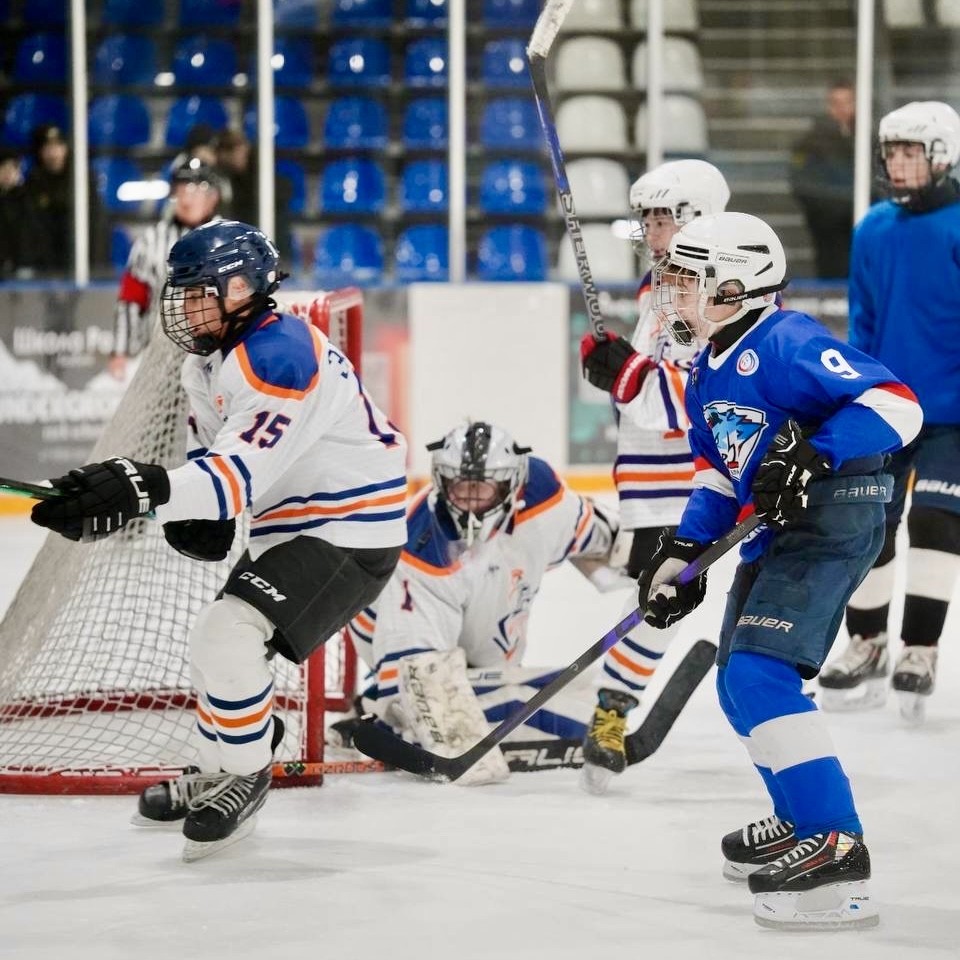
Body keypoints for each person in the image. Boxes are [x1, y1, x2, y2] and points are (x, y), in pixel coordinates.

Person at [31, 220, 408, 859]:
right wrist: (175, 507)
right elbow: (215, 474)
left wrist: (141, 488)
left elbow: (231, 477)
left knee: (225, 635)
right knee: (216, 648)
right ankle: (223, 759)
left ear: (242, 289)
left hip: (349, 529)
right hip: (292, 525)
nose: (184, 306)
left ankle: (245, 770)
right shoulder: (206, 364)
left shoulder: (280, 353)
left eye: (200, 292)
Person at [643, 211, 921, 928]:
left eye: (687, 281)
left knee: (760, 675)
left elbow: (897, 405)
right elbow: (716, 471)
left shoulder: (786, 340)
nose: (673, 295)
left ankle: (837, 842)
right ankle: (799, 817)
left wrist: (817, 452)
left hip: (835, 515)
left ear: (736, 287)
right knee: (738, 686)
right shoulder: (704, 366)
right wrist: (682, 552)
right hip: (780, 528)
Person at [341, 420, 620, 785]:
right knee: (567, 704)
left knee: (584, 688)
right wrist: (421, 723)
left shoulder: (543, 498)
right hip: (409, 657)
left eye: (482, 489)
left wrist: (654, 555)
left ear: (512, 484)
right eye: (462, 488)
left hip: (483, 661)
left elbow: (605, 537)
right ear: (442, 481)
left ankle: (382, 709)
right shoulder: (420, 542)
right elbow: (420, 676)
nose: (471, 502)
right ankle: (380, 711)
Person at [576, 159, 730, 794]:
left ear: (696, 219)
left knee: (656, 598)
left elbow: (700, 398)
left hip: (686, 479)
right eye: (647, 217)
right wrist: (620, 369)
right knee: (647, 593)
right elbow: (649, 383)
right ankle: (612, 703)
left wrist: (628, 374)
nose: (652, 228)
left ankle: (610, 712)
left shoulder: (712, 290)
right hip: (649, 480)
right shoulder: (659, 285)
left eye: (663, 216)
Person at [818, 100, 960, 723]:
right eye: (892, 153)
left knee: (935, 522)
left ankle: (920, 650)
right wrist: (854, 395)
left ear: (943, 156)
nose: (899, 164)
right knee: (863, 524)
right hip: (887, 408)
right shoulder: (872, 228)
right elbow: (864, 320)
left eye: (911, 153)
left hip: (953, 415)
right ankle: (866, 638)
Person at [109, 155, 224, 382]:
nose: (186, 198)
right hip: (161, 360)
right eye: (181, 190)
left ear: (213, 197)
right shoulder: (151, 241)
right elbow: (132, 298)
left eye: (195, 190)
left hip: (218, 355)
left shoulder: (228, 239)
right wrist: (119, 352)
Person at [789, 78, 856, 280]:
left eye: (847, 102)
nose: (842, 109)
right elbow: (801, 181)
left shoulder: (868, 138)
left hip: (859, 221)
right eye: (836, 103)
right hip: (828, 227)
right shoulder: (811, 142)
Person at [22, 124, 71, 276]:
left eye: (58, 146)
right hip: (43, 267)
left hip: (74, 261)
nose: (53, 153)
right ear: (40, 152)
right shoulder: (33, 183)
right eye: (48, 147)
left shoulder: (82, 180)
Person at [0, 146, 28, 280]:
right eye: (3, 168)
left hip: (22, 268)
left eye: (13, 168)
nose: (8, 173)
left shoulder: (29, 199)